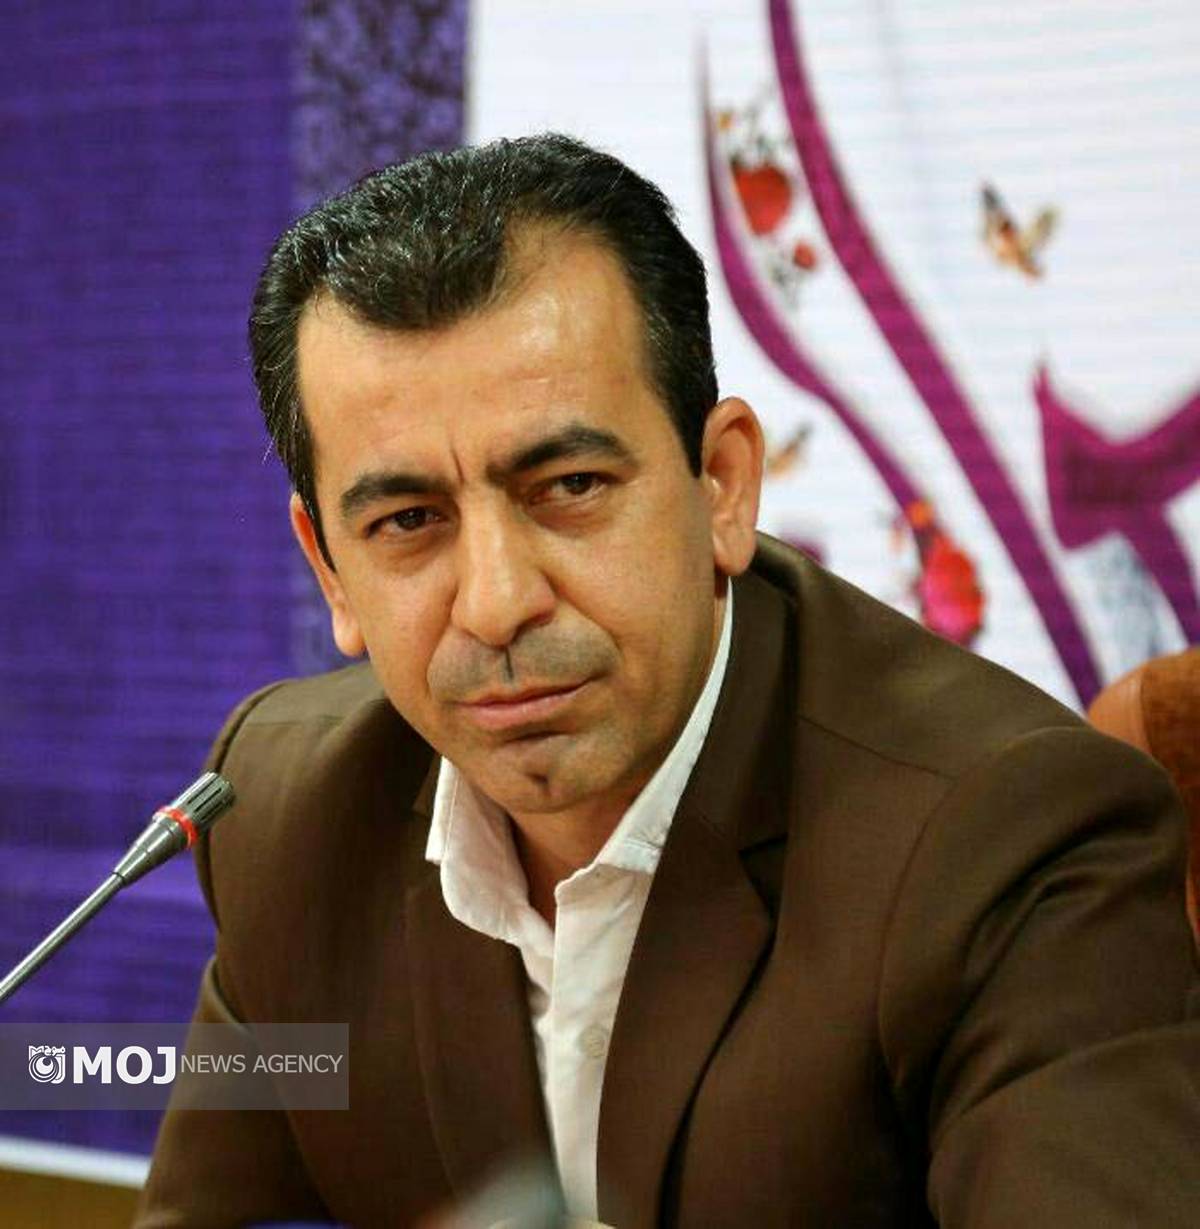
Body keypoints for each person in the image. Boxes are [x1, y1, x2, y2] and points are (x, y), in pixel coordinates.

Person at [135, 134, 1200, 1228]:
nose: (496, 602)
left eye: (569, 485)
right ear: (330, 569)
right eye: (409, 520)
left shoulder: (1004, 837)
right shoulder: (282, 813)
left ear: (723, 483)